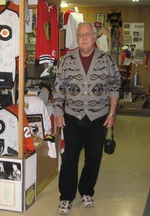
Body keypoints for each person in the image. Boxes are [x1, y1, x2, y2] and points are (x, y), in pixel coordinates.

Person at [53, 22, 121, 215]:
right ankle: (66, 197)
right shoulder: (67, 60)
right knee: (70, 159)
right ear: (77, 37)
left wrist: (112, 113)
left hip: (98, 117)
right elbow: (59, 88)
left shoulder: (106, 60)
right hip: (72, 118)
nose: (84, 38)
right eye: (80, 34)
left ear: (94, 37)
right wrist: (58, 112)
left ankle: (86, 191)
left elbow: (115, 87)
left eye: (87, 34)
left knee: (93, 158)